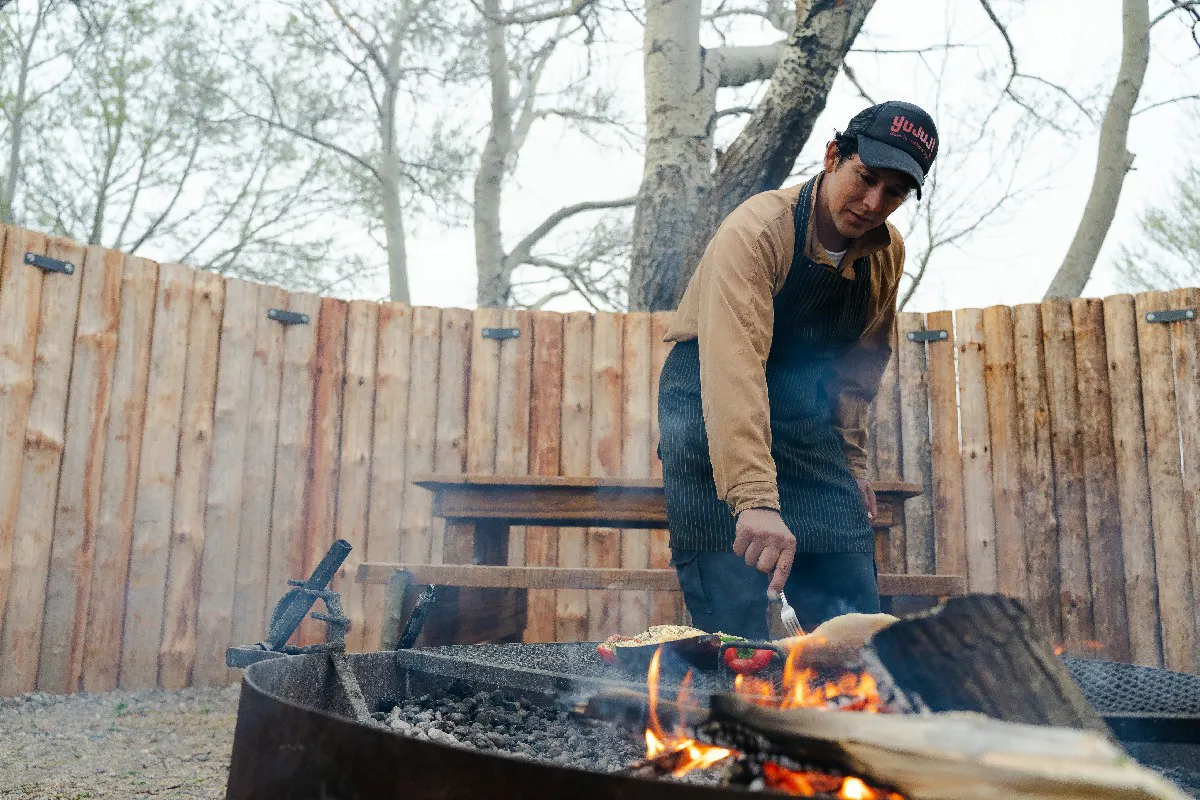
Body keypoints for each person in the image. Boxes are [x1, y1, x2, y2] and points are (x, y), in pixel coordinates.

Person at [657, 101, 939, 640]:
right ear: (833, 156)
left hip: (808, 432)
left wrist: (852, 462)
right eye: (866, 178)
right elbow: (732, 370)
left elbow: (858, 366)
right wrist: (755, 500)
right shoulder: (757, 230)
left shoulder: (886, 252)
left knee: (855, 630)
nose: (873, 203)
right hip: (713, 423)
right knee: (746, 643)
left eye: (895, 193)